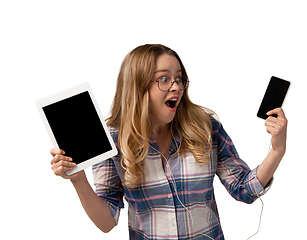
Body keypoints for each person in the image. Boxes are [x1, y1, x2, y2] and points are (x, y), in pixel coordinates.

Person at [50, 44, 288, 240]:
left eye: (179, 79)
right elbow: (106, 222)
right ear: (138, 85)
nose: (176, 86)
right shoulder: (113, 138)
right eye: (164, 79)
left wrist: (277, 150)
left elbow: (243, 190)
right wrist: (78, 180)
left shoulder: (206, 127)